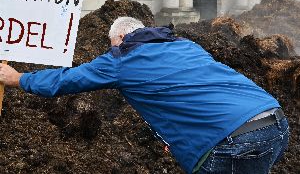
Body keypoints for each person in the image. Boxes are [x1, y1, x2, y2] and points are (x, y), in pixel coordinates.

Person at [0, 17, 289, 174]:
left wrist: (19, 78)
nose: (110, 48)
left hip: (232, 142)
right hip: (274, 121)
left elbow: (68, 80)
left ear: (121, 38)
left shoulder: (121, 59)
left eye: (111, 43)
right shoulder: (185, 46)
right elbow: (192, 90)